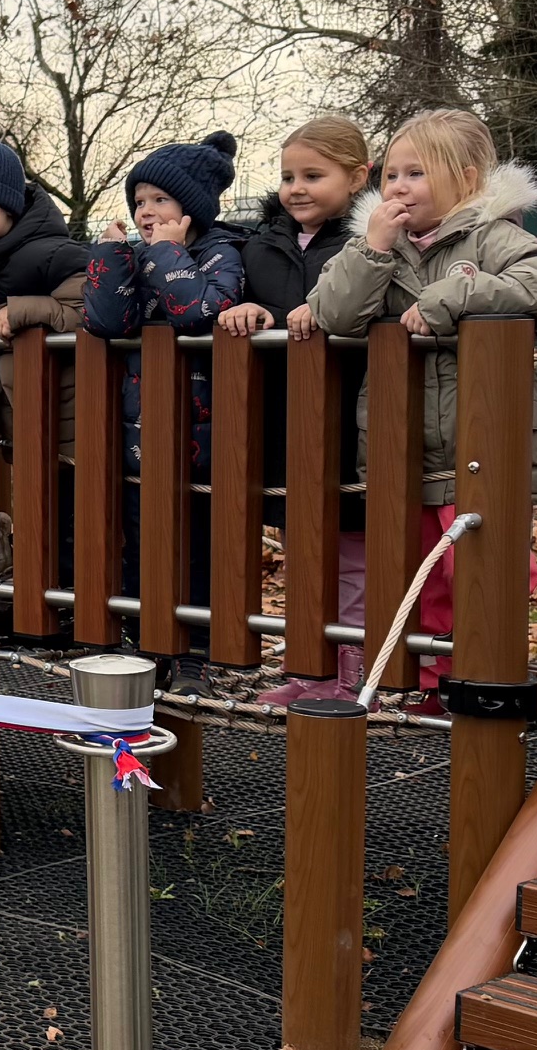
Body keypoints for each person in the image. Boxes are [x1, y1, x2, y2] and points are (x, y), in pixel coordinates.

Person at [307, 109, 537, 701]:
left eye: (416, 173)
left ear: (467, 180)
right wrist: (371, 248)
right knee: (415, 572)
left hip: (482, 448)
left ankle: (486, 667)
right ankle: (430, 682)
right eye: (392, 173)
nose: (397, 186)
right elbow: (335, 312)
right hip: (402, 451)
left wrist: (454, 294)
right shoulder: (379, 247)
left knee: (480, 567)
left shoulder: (495, 235)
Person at [221, 118, 377, 705]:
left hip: (348, 420)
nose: (297, 188)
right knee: (302, 551)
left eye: (314, 175)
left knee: (353, 553)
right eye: (288, 176)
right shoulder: (262, 243)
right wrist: (248, 308)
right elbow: (247, 299)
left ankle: (355, 671)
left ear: (358, 176)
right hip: (286, 419)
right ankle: (310, 670)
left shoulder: (369, 240)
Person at [82, 133, 248, 616]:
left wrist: (167, 254)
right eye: (138, 202)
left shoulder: (223, 252)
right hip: (143, 430)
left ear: (192, 207)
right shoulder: (137, 255)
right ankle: (146, 641)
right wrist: (113, 256)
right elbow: (108, 321)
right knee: (141, 538)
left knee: (196, 548)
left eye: (160, 200)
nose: (145, 212)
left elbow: (197, 312)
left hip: (205, 437)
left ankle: (196, 646)